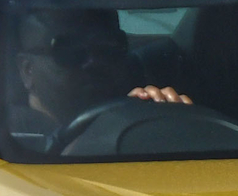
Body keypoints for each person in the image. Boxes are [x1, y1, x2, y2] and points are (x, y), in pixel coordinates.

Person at [13, 8, 191, 143]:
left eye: (108, 47)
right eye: (70, 51)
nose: (94, 61)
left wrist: (161, 124)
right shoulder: (8, 141)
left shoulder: (132, 122)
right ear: (27, 70)